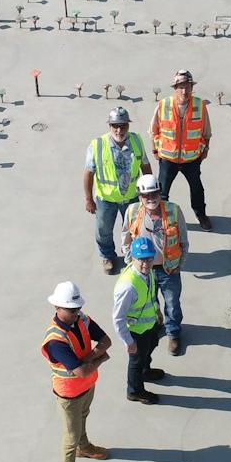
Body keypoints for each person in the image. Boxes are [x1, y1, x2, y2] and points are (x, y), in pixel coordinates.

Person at [41, 281, 111, 462]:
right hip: (69, 393)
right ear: (58, 308)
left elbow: (106, 340)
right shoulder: (55, 340)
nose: (76, 313)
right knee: (70, 438)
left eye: (77, 308)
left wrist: (90, 360)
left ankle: (85, 446)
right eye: (71, 310)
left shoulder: (82, 319)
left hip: (87, 386)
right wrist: (98, 359)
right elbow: (80, 370)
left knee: (84, 416)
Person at [123, 172, 189, 356]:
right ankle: (157, 324)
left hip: (169, 269)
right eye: (146, 195)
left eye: (154, 194)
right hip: (145, 270)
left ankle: (173, 333)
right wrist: (130, 263)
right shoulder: (132, 212)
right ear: (140, 196)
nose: (151, 198)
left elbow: (183, 240)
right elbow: (126, 238)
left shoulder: (174, 210)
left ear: (160, 193)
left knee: (172, 304)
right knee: (150, 302)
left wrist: (179, 264)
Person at [83, 107, 151, 274]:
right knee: (103, 230)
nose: (119, 130)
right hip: (106, 199)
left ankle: (133, 255)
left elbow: (145, 166)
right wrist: (88, 199)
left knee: (134, 228)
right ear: (110, 126)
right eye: (115, 126)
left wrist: (148, 193)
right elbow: (88, 173)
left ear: (128, 126)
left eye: (123, 126)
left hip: (132, 197)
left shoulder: (136, 140)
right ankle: (107, 256)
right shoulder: (97, 145)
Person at [151, 69, 211, 229]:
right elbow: (154, 130)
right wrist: (155, 150)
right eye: (181, 87)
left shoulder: (200, 105)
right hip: (168, 159)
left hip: (191, 159)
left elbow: (206, 132)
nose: (184, 91)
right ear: (175, 88)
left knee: (197, 189)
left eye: (188, 87)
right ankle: (161, 219)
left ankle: (201, 215)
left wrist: (205, 150)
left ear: (192, 87)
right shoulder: (163, 105)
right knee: (162, 192)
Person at [112, 236, 166, 404]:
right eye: (141, 259)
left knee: (150, 348)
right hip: (136, 332)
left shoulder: (148, 272)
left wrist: (157, 311)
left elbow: (150, 294)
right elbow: (118, 318)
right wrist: (128, 341)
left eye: (149, 259)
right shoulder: (128, 286)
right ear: (133, 258)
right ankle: (135, 391)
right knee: (136, 360)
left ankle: (145, 370)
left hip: (149, 325)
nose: (145, 263)